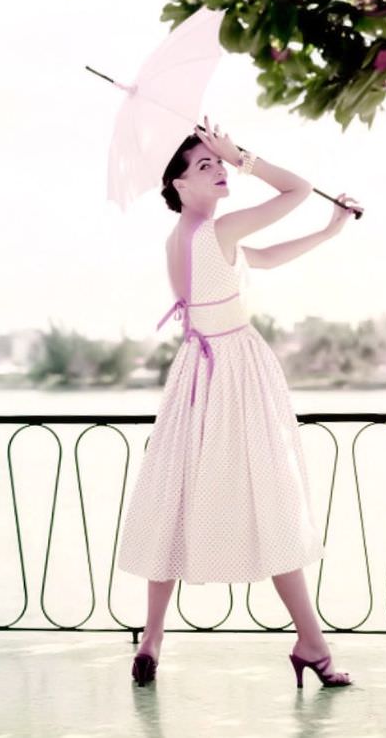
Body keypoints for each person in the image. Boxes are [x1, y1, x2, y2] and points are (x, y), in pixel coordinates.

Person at [116, 115, 363, 687]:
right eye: (206, 164)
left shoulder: (184, 240)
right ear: (179, 185)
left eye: (220, 161)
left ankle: (152, 636)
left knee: (176, 501)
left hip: (196, 378)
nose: (220, 168)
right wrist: (245, 153)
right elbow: (296, 189)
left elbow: (266, 260)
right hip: (232, 374)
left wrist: (329, 232)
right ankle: (312, 643)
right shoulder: (216, 232)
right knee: (271, 501)